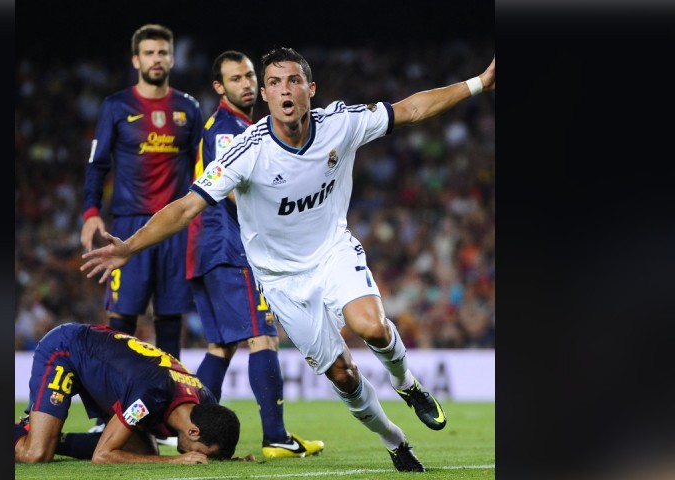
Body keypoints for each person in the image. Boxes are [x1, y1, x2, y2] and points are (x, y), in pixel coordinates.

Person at [81, 46, 496, 472]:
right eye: (275, 83)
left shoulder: (340, 123)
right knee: (343, 376)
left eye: (294, 80)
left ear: (310, 89)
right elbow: (187, 207)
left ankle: (406, 383)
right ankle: (395, 439)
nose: (286, 90)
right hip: (280, 280)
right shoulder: (247, 151)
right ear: (264, 94)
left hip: (332, 252)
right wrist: (129, 246)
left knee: (371, 325)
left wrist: (479, 83)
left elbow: (410, 109)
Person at [186, 50, 324, 459]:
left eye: (249, 76)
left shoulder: (234, 125)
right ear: (219, 87)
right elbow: (230, 189)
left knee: (220, 346)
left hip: (204, 248)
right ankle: (276, 436)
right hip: (230, 246)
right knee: (263, 336)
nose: (246, 84)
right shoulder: (229, 129)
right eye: (235, 78)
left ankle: (188, 433)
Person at [81, 23, 203, 361]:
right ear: (136, 60)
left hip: (174, 229)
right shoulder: (116, 107)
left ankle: (169, 406)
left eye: (163, 52)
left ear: (172, 58)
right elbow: (97, 165)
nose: (157, 59)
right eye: (149, 53)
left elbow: (204, 171)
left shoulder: (189, 108)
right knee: (121, 322)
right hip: (128, 226)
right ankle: (111, 408)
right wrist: (91, 213)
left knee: (169, 320)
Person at [14, 322, 241, 464]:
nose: (203, 459)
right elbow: (102, 456)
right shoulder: (150, 395)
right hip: (65, 349)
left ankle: (46, 435)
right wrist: (174, 460)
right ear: (193, 431)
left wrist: (228, 458)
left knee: (144, 452)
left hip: (103, 361)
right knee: (36, 454)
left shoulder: (204, 400)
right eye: (207, 454)